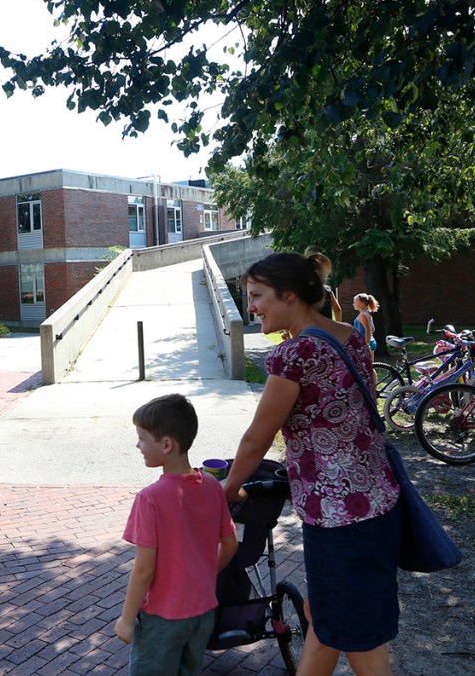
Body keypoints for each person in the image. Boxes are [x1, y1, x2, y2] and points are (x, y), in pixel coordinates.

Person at [224, 253, 402, 676]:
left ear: (289, 295)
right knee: (323, 616)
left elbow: (256, 438)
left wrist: (228, 488)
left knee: (354, 631)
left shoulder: (295, 354)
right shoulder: (350, 337)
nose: (251, 307)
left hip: (336, 517)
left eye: (257, 296)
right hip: (379, 504)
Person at [114, 394, 238, 675]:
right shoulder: (211, 486)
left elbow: (144, 569)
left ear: (167, 444)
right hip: (203, 611)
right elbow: (229, 544)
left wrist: (126, 618)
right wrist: (204, 576)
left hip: (163, 617)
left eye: (142, 438)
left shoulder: (150, 499)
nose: (138, 445)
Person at [304, 247, 342, 322]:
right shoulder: (327, 290)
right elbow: (337, 310)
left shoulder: (303, 290)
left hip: (310, 329)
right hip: (328, 329)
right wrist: (338, 324)